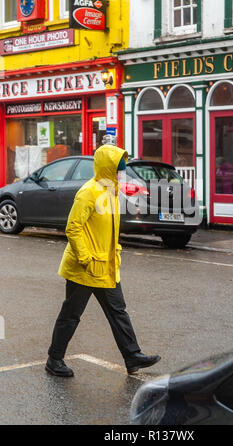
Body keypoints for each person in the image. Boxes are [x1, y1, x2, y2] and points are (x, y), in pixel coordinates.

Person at [46, 144, 161, 377]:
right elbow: (73, 227)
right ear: (107, 169)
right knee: (71, 314)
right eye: (119, 170)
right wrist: (85, 258)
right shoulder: (88, 192)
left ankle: (132, 356)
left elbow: (108, 230)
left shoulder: (111, 191)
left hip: (106, 266)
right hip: (85, 266)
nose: (122, 174)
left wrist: (114, 253)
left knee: (119, 311)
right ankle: (54, 359)